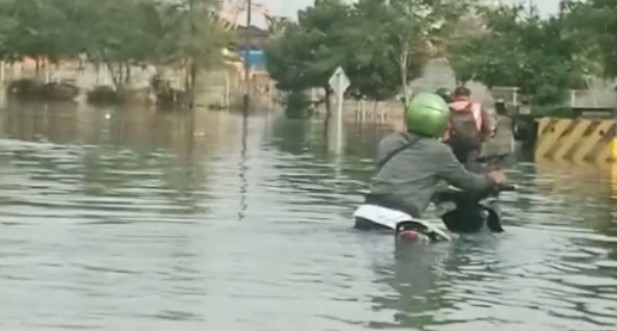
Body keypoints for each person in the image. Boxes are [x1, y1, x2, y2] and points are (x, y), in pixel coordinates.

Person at [353, 92, 507, 231]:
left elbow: (408, 175)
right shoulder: (439, 151)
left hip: (366, 213)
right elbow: (469, 182)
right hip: (399, 219)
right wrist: (491, 179)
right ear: (440, 122)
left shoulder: (388, 142)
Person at [443, 86, 494, 172]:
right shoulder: (477, 107)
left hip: (452, 142)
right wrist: (484, 138)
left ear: (455, 96)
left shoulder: (447, 107)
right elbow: (487, 126)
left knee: (452, 166)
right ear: (469, 96)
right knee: (470, 166)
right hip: (472, 142)